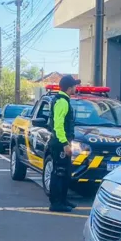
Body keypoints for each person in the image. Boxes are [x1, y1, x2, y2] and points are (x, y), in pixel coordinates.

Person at [48, 74, 79, 213]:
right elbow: (58, 125)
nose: (75, 88)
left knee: (65, 173)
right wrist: (65, 143)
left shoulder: (64, 100)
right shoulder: (62, 102)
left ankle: (63, 200)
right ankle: (56, 203)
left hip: (62, 141)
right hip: (60, 142)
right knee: (59, 173)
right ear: (69, 88)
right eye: (74, 86)